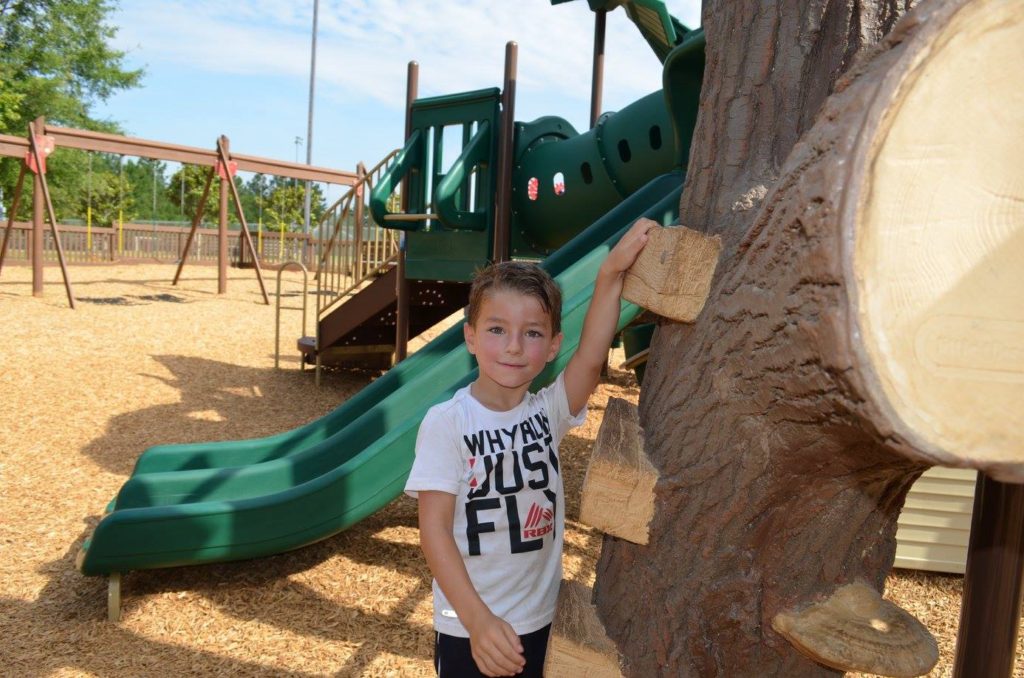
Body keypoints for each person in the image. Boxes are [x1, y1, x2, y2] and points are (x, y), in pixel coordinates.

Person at [406, 218, 656, 677]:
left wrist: (610, 274)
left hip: (540, 619)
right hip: (471, 628)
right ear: (471, 337)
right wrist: (477, 621)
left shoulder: (547, 412)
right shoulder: (448, 423)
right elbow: (434, 532)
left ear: (552, 344)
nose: (515, 346)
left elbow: (592, 355)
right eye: (498, 329)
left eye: (533, 333)